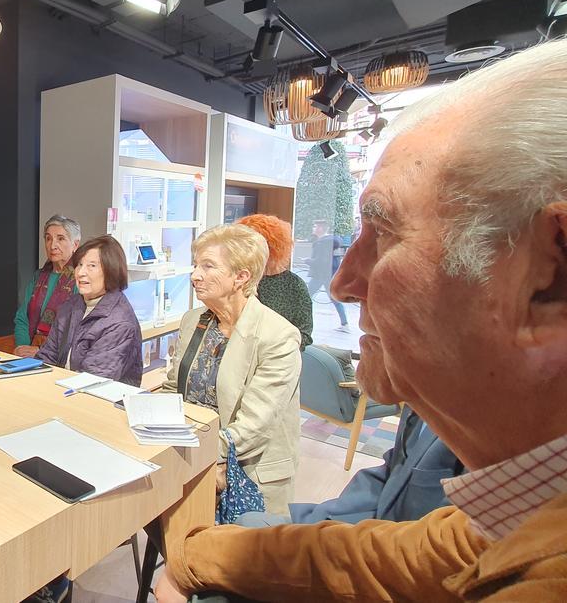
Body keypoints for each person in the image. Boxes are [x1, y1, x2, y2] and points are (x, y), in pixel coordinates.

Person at [155, 37, 567, 602]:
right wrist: (198, 554)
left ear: (551, 275)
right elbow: (403, 549)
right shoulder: (516, 507)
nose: (344, 284)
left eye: (386, 232)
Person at [164, 224, 301, 516]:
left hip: (246, 474)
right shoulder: (193, 321)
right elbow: (172, 389)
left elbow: (255, 426)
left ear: (241, 277)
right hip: (192, 455)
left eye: (208, 266)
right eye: (196, 265)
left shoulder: (278, 337)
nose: (194, 275)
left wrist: (198, 455)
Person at [236, 406, 463, 527]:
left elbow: (432, 555)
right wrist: (319, 520)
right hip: (365, 524)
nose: (364, 328)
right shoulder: (419, 398)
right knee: (246, 524)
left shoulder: (485, 437)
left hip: (392, 558)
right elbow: (391, 475)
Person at [35, 235, 143, 385]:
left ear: (111, 271)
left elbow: (94, 381)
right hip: (63, 391)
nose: (80, 273)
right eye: (79, 264)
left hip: (100, 402)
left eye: (91, 266)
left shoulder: (120, 322)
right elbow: (47, 356)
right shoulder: (71, 305)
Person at [236, 214, 313, 348]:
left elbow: (304, 335)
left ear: (271, 248)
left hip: (276, 357)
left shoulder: (294, 286)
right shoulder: (238, 279)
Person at [13, 215, 81, 358]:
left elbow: (75, 330)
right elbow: (22, 318)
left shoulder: (80, 279)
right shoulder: (38, 276)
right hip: (28, 351)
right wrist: (22, 347)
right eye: (48, 238)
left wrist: (40, 351)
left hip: (60, 356)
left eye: (60, 238)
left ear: (75, 245)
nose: (52, 245)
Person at [307, 218, 349, 332]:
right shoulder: (328, 241)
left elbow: (321, 261)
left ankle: (301, 321)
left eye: (315, 226)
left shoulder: (322, 243)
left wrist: (308, 261)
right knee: (334, 299)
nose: (313, 229)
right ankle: (345, 323)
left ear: (320, 228)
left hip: (321, 275)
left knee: (305, 296)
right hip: (327, 275)